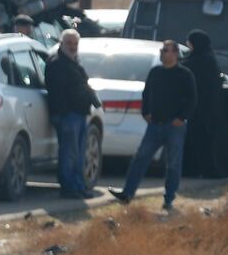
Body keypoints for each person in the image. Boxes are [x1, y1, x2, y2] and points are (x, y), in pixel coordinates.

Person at [111, 38, 194, 210]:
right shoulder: (155, 72)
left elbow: (192, 99)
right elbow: (146, 93)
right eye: (162, 50)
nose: (162, 53)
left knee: (173, 163)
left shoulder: (185, 74)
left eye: (165, 50)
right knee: (140, 158)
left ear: (175, 54)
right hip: (155, 124)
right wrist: (146, 112)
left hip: (175, 126)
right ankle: (127, 193)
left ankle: (169, 198)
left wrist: (182, 117)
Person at [44, 29, 100, 198]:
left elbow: (83, 85)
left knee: (78, 154)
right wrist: (63, 114)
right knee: (69, 153)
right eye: (69, 43)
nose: (73, 47)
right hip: (68, 116)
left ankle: (78, 186)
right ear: (61, 43)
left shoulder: (74, 62)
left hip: (79, 114)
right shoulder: (57, 63)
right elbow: (56, 92)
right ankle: (69, 187)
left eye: (75, 43)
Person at [180, 30, 228, 180]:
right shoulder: (207, 58)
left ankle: (210, 170)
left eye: (190, 43)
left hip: (203, 111)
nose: (188, 46)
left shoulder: (201, 60)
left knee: (203, 141)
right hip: (208, 110)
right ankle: (200, 169)